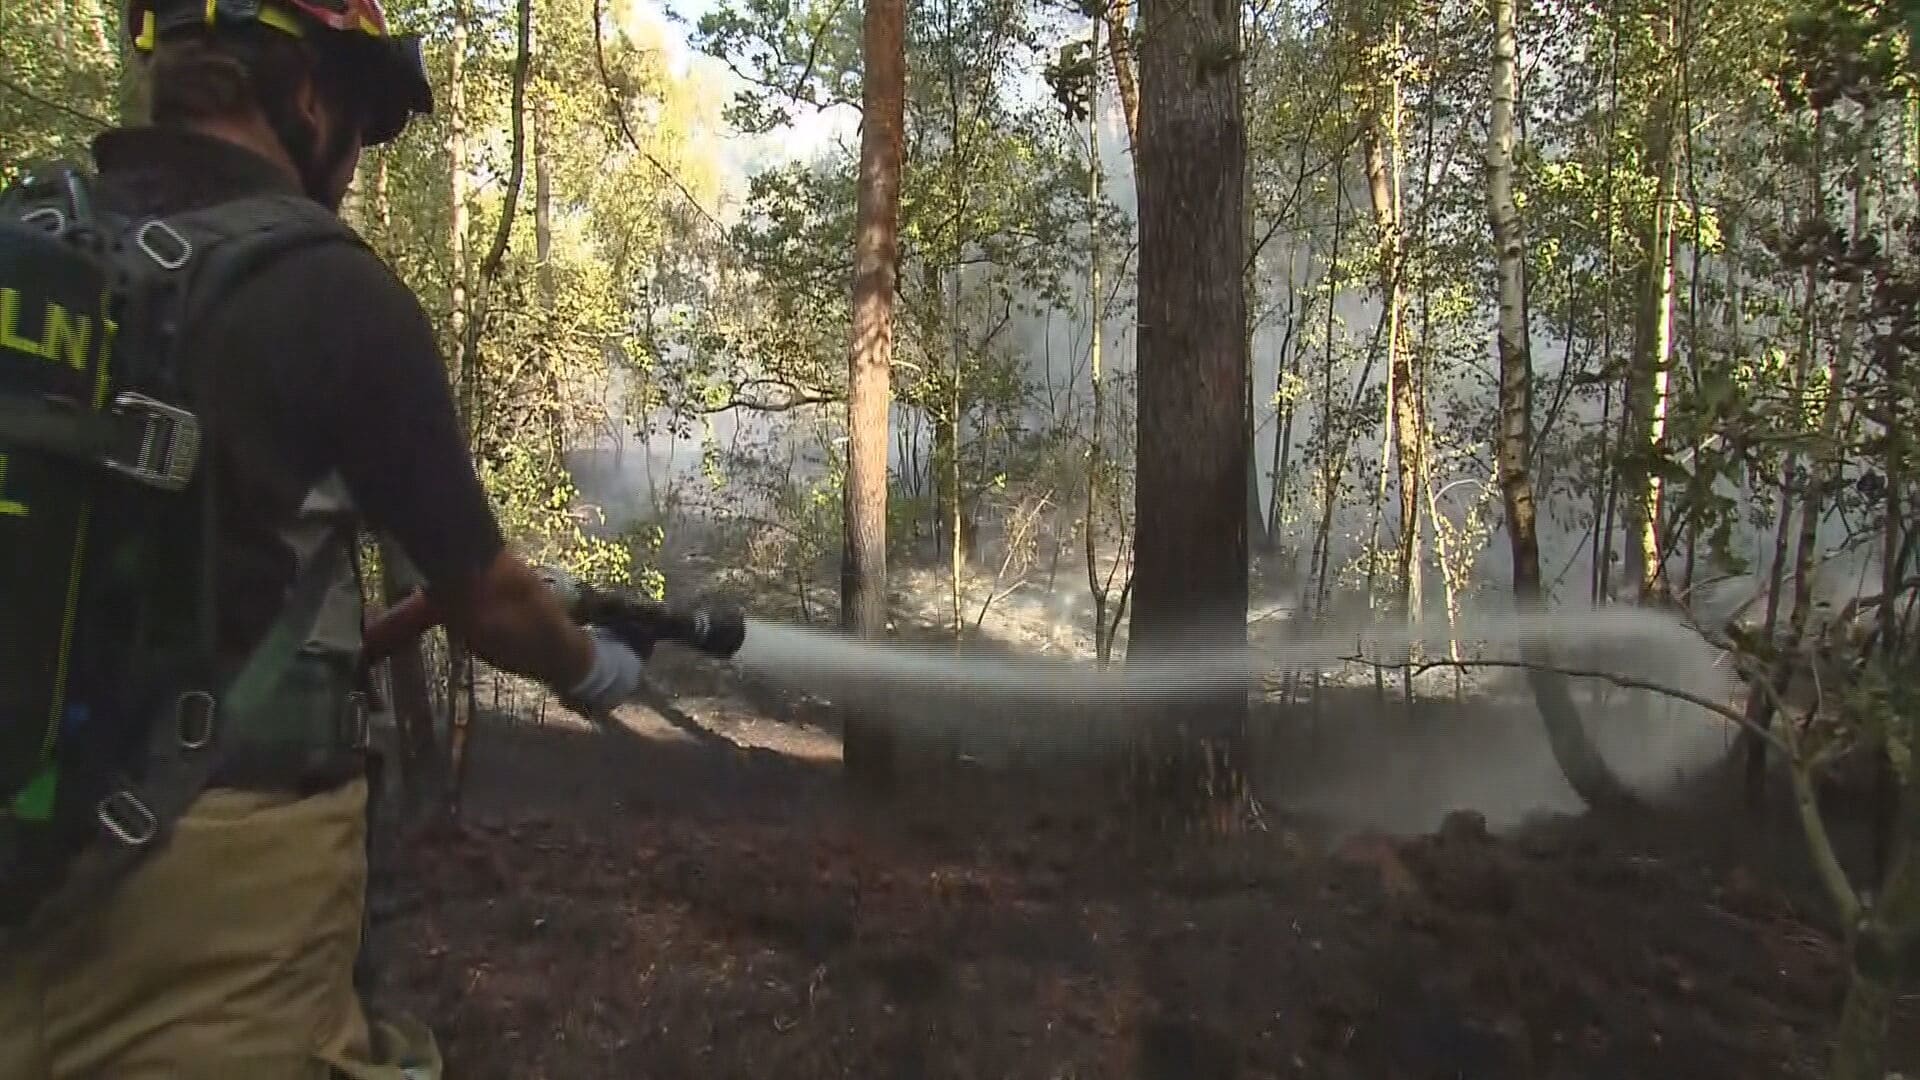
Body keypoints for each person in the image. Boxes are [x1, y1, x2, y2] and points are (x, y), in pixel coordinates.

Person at [0, 1, 648, 1075]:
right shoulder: (330, 288)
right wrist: (594, 670)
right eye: (358, 115)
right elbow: (488, 595)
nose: (354, 160)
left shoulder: (34, 248)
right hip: (209, 916)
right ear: (304, 93)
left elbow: (191, 603)